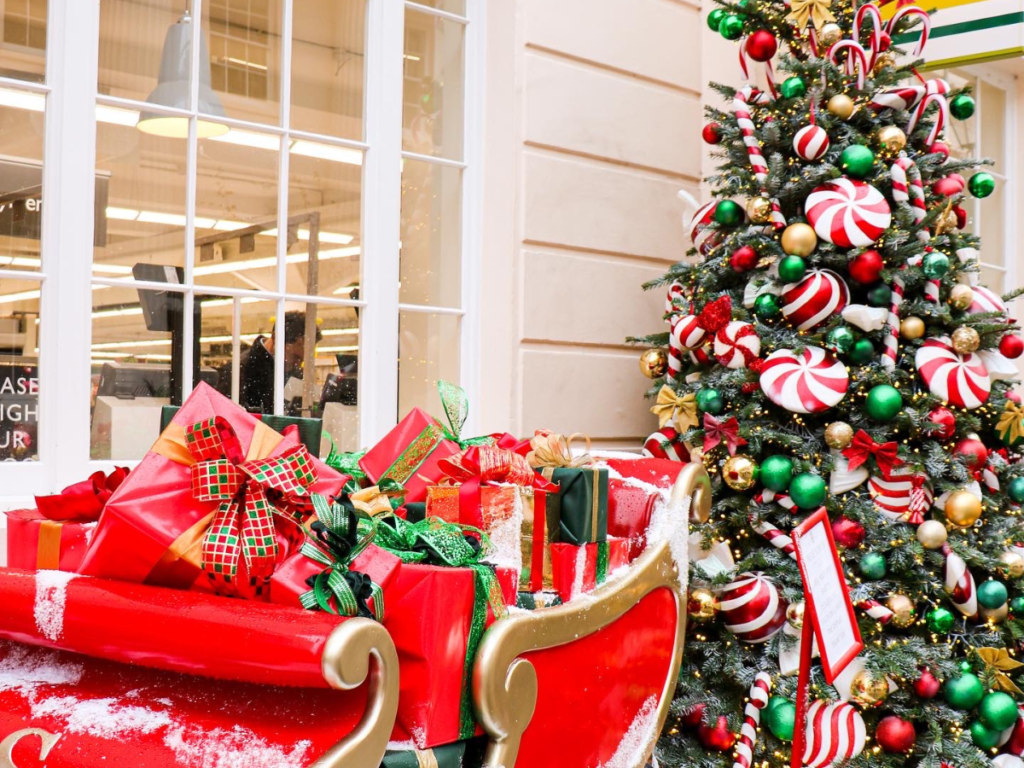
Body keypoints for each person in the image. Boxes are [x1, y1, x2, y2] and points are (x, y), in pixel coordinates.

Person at [217, 312, 320, 414]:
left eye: (301, 360)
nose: (298, 365)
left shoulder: (295, 375)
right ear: (276, 338)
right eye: (295, 357)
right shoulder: (238, 371)